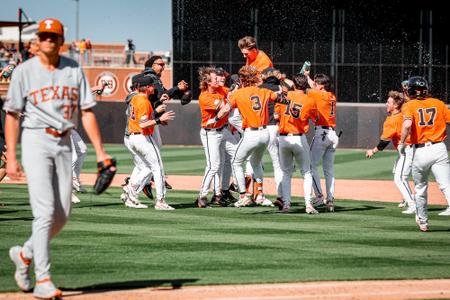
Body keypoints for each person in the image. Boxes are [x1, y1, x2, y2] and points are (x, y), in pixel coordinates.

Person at [4, 18, 113, 298]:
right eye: (44, 36)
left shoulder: (73, 69)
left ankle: (25, 254)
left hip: (64, 141)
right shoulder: (24, 71)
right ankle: (43, 280)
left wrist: (100, 152)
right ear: (37, 40)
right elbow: (13, 114)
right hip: (36, 139)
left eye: (53, 36)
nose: (49, 40)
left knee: (62, 215)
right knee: (44, 213)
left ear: (61, 41)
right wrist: (12, 156)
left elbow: (87, 111)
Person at [209, 65, 284, 207]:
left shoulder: (238, 94)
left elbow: (225, 110)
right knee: (256, 163)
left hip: (251, 133)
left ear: (243, 79)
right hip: (265, 133)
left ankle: (243, 195)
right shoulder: (264, 91)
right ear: (254, 78)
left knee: (236, 162)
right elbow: (281, 99)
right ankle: (260, 194)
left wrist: (215, 119)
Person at [398, 76, 450, 232]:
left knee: (420, 188)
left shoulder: (410, 105)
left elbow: (407, 125)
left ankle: (423, 222)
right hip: (439, 148)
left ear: (411, 91)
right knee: (446, 185)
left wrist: (401, 142)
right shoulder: (439, 103)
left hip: (420, 150)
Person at [121, 72, 176, 210]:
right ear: (145, 87)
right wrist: (159, 119)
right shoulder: (143, 101)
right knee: (158, 168)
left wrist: (156, 115)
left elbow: (144, 118)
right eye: (151, 85)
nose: (153, 87)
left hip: (133, 138)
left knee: (147, 167)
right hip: (142, 137)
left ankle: (131, 193)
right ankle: (161, 201)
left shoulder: (135, 99)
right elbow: (143, 124)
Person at [366, 91, 415, 214]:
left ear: (396, 105)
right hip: (412, 148)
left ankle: (412, 203)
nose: (386, 104)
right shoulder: (403, 114)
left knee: (399, 179)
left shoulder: (392, 120)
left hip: (408, 149)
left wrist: (373, 151)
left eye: (389, 102)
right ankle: (408, 198)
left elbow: (383, 142)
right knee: (397, 173)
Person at [276, 74, 317, 213]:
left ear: (294, 84)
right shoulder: (309, 100)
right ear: (305, 85)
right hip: (299, 138)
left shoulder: (285, 97)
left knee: (286, 173)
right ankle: (308, 205)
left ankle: (286, 204)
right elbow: (315, 118)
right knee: (306, 172)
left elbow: (276, 116)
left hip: (283, 138)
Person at [196, 67, 234, 208]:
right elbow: (224, 109)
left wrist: (236, 90)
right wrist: (232, 97)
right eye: (215, 78)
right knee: (213, 166)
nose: (219, 79)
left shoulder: (221, 90)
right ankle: (202, 195)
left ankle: (224, 191)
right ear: (208, 83)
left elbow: (232, 94)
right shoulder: (205, 97)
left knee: (237, 154)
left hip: (223, 131)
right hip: (210, 133)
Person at [308, 73, 339, 212]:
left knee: (310, 165)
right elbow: (313, 87)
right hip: (333, 134)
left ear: (320, 85)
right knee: (329, 170)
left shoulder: (318, 95)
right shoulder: (331, 95)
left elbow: (304, 88)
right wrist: (308, 77)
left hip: (322, 133)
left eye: (315, 83)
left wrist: (305, 78)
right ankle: (330, 200)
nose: (313, 84)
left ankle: (319, 196)